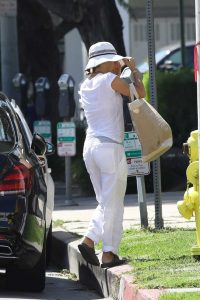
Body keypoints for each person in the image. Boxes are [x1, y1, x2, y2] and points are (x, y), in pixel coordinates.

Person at [78, 41, 145, 268]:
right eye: (114, 62)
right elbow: (140, 95)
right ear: (104, 63)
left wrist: (122, 68)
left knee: (105, 201)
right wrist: (133, 69)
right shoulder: (109, 80)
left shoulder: (85, 85)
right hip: (110, 148)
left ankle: (98, 247)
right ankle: (101, 249)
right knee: (113, 203)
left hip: (90, 147)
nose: (118, 65)